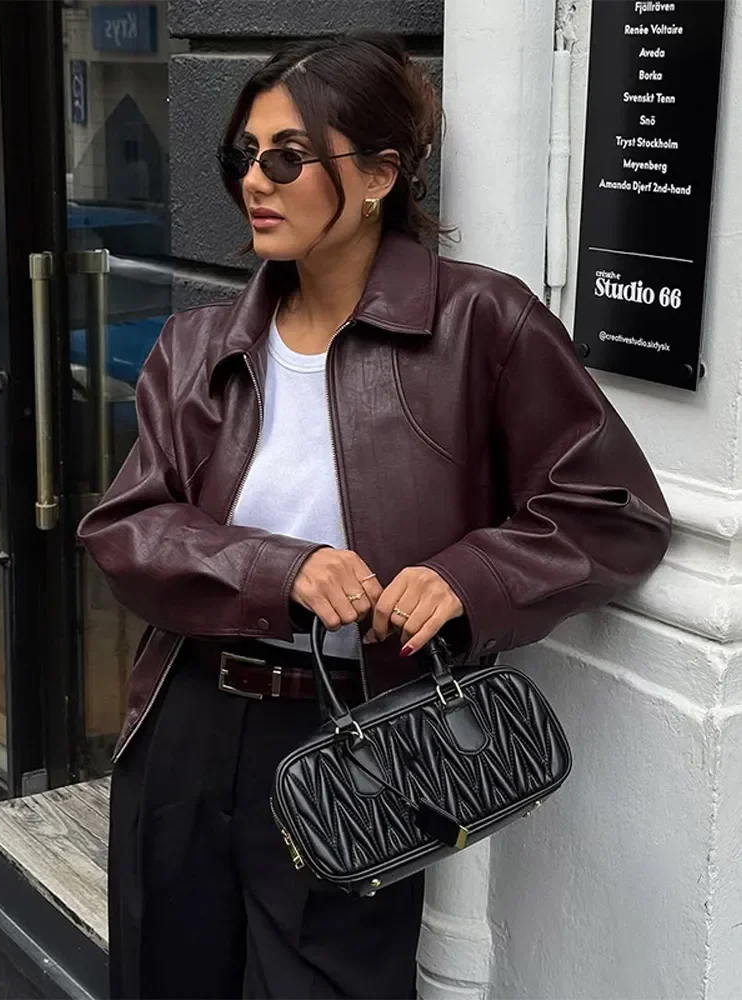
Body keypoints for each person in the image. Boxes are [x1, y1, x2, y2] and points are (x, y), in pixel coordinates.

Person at [78, 32, 671, 1000]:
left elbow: (613, 509)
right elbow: (126, 526)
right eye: (244, 156)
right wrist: (280, 568)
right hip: (189, 719)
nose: (255, 182)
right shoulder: (198, 344)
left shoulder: (482, 322)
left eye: (287, 158)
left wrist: (470, 577)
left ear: (379, 175)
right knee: (169, 973)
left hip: (363, 733)